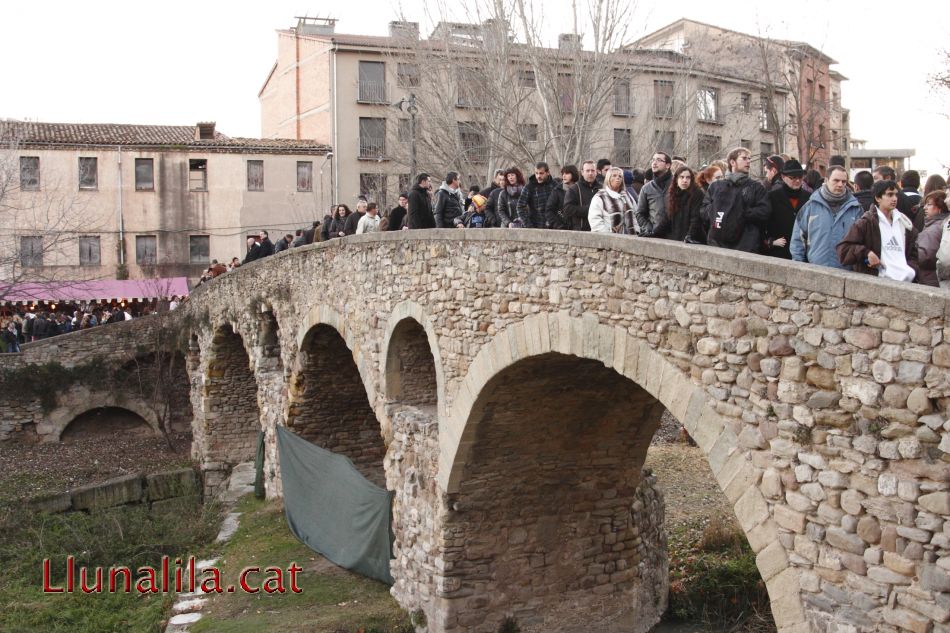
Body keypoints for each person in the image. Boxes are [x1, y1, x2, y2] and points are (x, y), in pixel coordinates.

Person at [837, 179, 918, 282]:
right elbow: (844, 249)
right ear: (878, 198)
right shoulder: (866, 222)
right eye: (889, 195)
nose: (894, 199)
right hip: (879, 282)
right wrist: (867, 253)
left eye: (895, 195)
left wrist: (912, 269)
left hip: (907, 282)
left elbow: (914, 253)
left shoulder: (904, 223)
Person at [789, 165, 862, 269]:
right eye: (836, 180)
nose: (840, 185)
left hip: (846, 273)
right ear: (826, 180)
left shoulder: (855, 209)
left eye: (844, 181)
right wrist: (799, 267)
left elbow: (861, 242)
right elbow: (797, 239)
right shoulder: (810, 206)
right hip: (815, 270)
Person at [702, 147, 771, 252]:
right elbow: (703, 210)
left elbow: (765, 211)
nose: (748, 161)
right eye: (744, 158)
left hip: (745, 247)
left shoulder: (756, 187)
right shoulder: (716, 186)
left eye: (749, 158)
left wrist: (741, 212)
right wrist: (715, 212)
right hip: (717, 245)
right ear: (732, 162)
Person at [763, 159, 810, 259]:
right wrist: (770, 242)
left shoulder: (809, 198)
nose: (797, 181)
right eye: (793, 178)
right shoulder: (772, 197)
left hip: (803, 253)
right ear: (783, 177)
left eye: (800, 177)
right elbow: (763, 224)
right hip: (779, 253)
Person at [646, 165, 704, 243]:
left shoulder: (697, 193)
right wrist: (654, 232)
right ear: (676, 179)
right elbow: (667, 218)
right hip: (676, 237)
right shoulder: (673, 194)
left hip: (693, 238)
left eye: (688, 177)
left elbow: (695, 218)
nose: (685, 180)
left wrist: (690, 235)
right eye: (682, 177)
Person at [913, 191, 949, 287]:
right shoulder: (942, 224)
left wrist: (913, 255)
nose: (925, 208)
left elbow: (927, 256)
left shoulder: (934, 228)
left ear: (940, 207)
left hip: (929, 279)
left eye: (929, 204)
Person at [589, 167, 635, 234]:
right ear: (608, 178)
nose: (618, 178)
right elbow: (595, 221)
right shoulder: (600, 197)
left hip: (631, 239)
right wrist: (609, 235)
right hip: (609, 239)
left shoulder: (627, 196)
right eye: (614, 175)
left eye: (620, 176)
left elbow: (635, 215)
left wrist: (637, 231)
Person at [636, 152, 673, 235]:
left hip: (675, 235)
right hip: (654, 234)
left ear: (668, 165)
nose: (654, 163)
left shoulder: (677, 185)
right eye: (653, 160)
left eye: (659, 160)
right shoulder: (646, 188)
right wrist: (647, 227)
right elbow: (640, 213)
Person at [517, 161, 559, 229]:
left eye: (541, 173)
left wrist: (558, 223)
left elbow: (561, 206)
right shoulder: (529, 187)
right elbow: (520, 207)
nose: (538, 176)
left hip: (554, 226)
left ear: (548, 173)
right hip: (536, 227)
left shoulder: (555, 185)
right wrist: (528, 225)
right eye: (536, 173)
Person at [561, 160, 601, 231]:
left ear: (596, 172)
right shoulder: (574, 189)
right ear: (582, 172)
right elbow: (567, 209)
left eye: (592, 170)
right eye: (587, 171)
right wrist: (589, 210)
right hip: (580, 231)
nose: (590, 173)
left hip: (599, 229)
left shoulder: (602, 189)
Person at [546, 165, 578, 230]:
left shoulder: (579, 189)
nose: (564, 176)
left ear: (573, 174)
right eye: (563, 173)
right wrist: (557, 225)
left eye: (567, 173)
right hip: (560, 229)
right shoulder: (557, 190)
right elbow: (549, 210)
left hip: (577, 228)